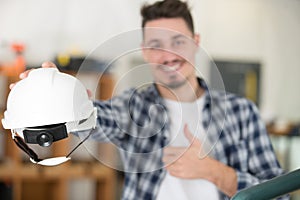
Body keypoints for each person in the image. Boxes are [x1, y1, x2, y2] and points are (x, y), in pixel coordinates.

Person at [13, 0, 287, 199]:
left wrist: (214, 171)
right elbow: (96, 118)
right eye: (156, 44)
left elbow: (279, 195)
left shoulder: (241, 113)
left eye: (178, 41)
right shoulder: (134, 108)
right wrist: (58, 97)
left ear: (196, 42)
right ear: (144, 51)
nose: (167, 55)